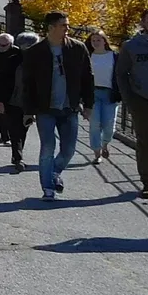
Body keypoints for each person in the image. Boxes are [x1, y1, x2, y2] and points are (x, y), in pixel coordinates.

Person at [17, 12, 93, 202]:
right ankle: (48, 189)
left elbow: (87, 77)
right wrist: (28, 111)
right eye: (63, 26)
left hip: (69, 108)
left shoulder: (77, 48)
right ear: (51, 28)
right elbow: (27, 83)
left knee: (68, 150)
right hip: (45, 109)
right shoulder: (35, 52)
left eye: (67, 25)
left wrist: (88, 104)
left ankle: (54, 172)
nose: (67, 29)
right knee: (47, 148)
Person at [115, 8, 148, 200]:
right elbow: (121, 74)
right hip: (142, 100)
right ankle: (147, 182)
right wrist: (129, 99)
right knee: (144, 142)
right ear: (142, 24)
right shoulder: (131, 46)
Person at [4, 33, 39, 172]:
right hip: (12, 100)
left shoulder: (39, 62)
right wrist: (0, 100)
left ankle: (18, 155)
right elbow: (2, 82)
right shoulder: (12, 60)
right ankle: (18, 158)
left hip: (29, 102)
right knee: (14, 130)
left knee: (23, 129)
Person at [85, 29, 119, 165]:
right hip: (93, 94)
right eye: (93, 40)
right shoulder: (88, 56)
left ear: (105, 41)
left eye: (98, 40)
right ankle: (97, 153)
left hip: (110, 94)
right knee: (94, 125)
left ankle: (105, 144)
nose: (96, 42)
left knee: (109, 125)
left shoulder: (114, 56)